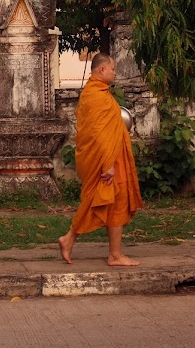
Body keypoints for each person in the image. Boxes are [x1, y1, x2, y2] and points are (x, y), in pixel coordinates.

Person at [58, 53, 143, 266]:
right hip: (107, 161)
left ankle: (77, 241)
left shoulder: (98, 93)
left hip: (112, 158)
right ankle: (103, 251)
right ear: (102, 70)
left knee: (112, 202)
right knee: (102, 199)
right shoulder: (96, 96)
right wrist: (108, 164)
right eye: (113, 68)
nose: (115, 72)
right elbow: (98, 133)